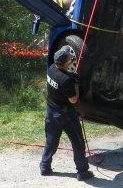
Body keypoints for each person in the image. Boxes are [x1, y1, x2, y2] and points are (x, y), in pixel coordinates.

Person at [40, 45, 94, 181]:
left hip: (51, 111)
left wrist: (71, 76)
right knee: (78, 142)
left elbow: (61, 76)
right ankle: (82, 171)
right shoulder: (67, 81)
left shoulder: (52, 69)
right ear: (65, 63)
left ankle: (45, 167)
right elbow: (73, 99)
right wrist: (75, 85)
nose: (71, 58)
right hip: (65, 114)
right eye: (69, 58)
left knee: (51, 141)